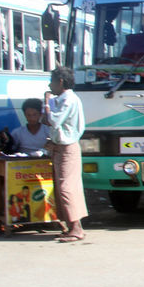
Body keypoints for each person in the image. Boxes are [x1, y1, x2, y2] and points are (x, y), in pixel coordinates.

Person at [44, 66, 88, 242]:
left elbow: (53, 120)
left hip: (67, 148)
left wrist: (46, 102)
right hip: (59, 147)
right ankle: (71, 226)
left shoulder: (68, 99)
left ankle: (76, 228)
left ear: (60, 82)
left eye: (52, 81)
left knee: (66, 188)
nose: (50, 85)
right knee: (64, 186)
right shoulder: (63, 99)